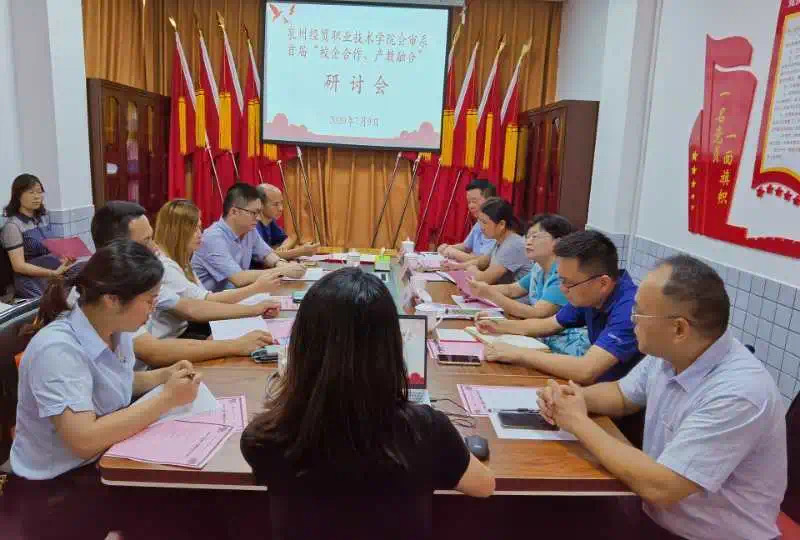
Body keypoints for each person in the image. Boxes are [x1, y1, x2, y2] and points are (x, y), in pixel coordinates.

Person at [537, 256, 787, 540]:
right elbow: (621, 395)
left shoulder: (738, 393)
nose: (631, 320)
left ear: (679, 329)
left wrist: (578, 422)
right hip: (654, 514)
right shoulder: (672, 353)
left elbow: (662, 487)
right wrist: (573, 398)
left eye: (639, 314)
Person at [241, 267, 495, 540]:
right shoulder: (427, 429)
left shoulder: (263, 436)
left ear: (300, 347)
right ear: (392, 346)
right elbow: (485, 486)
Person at [10, 239, 202, 480]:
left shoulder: (115, 329)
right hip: (60, 479)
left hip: (107, 455)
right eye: (149, 300)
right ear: (112, 300)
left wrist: (163, 376)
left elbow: (112, 382)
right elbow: (84, 441)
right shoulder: (57, 351)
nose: (153, 309)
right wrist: (167, 398)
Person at [90, 201, 277, 366]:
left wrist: (254, 310)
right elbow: (153, 351)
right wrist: (235, 344)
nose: (154, 247)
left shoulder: (138, 276)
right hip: (170, 346)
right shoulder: (110, 291)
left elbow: (190, 306)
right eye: (146, 241)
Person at [476, 230, 641, 384]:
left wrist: (518, 353)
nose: (562, 289)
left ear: (603, 283)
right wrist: (498, 325)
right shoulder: (590, 292)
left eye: (568, 282)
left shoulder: (630, 309)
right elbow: (548, 324)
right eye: (561, 280)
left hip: (612, 397)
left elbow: (586, 369)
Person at [152, 199, 286, 340]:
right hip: (177, 334)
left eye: (199, 227)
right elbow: (204, 304)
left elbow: (204, 302)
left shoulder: (182, 259)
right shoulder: (167, 266)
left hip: (189, 326)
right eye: (194, 229)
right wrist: (257, 292)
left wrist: (257, 308)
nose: (199, 234)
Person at [469, 214, 590, 356]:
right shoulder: (538, 268)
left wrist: (490, 294)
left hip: (564, 346)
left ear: (558, 242)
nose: (528, 241)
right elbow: (513, 289)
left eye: (535, 236)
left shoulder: (563, 274)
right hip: (541, 338)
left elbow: (538, 313)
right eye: (527, 236)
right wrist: (481, 290)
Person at [192, 182, 305, 292]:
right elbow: (239, 278)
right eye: (254, 213)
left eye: (259, 213)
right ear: (234, 212)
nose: (258, 218)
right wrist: (283, 271)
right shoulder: (213, 238)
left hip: (236, 296)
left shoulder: (249, 230)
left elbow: (266, 254)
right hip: (210, 301)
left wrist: (281, 263)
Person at [1, 174, 78, 298]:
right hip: (30, 280)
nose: (37, 196)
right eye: (31, 192)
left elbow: (52, 247)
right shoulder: (12, 226)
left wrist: (64, 258)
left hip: (52, 272)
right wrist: (52, 273)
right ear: (18, 196)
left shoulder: (43, 219)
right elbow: (18, 266)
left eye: (39, 192)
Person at [463, 198, 531, 285]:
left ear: (502, 224)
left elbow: (485, 279)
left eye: (485, 222)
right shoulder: (500, 239)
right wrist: (457, 266)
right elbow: (483, 261)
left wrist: (472, 269)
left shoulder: (513, 244)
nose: (481, 227)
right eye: (480, 221)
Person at [437, 179, 496, 268]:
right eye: (469, 202)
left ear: (490, 200)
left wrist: (454, 253)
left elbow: (484, 262)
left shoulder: (496, 226)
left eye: (474, 201)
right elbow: (466, 246)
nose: (471, 206)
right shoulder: (478, 223)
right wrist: (448, 247)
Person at [255, 183, 319, 260]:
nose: (281, 208)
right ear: (260, 204)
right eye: (275, 204)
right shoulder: (253, 225)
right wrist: (301, 251)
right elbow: (266, 256)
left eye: (281, 203)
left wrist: (283, 247)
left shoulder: (270, 221)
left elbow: (291, 237)